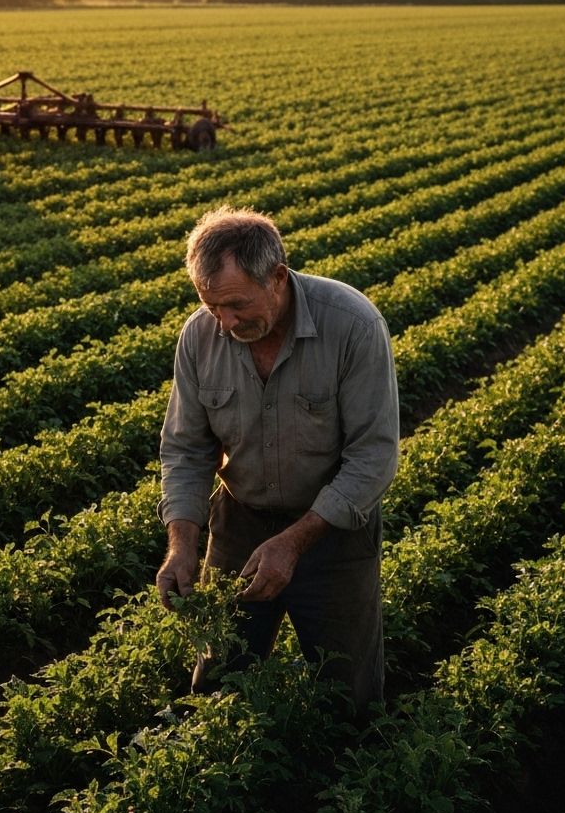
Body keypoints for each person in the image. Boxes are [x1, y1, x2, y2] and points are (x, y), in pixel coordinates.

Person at [155, 205, 400, 711]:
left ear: (278, 278)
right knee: (218, 685)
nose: (224, 322)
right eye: (212, 306)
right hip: (240, 523)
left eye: (237, 305)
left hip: (333, 534)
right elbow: (187, 449)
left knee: (347, 693)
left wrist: (293, 542)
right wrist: (182, 545)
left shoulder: (352, 325)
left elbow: (372, 457)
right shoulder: (199, 336)